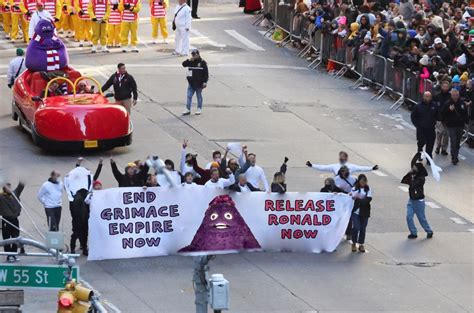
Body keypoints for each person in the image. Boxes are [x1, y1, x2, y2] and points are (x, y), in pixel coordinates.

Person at [64, 159, 93, 255]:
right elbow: (77, 175)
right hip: (78, 219)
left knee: (82, 233)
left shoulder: (86, 196)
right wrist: (77, 164)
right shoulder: (74, 198)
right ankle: (75, 248)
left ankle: (83, 247)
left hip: (83, 219)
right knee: (77, 233)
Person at [401, 152, 433, 239]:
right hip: (411, 200)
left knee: (421, 218)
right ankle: (413, 232)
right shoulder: (414, 175)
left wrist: (411, 175)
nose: (413, 168)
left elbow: (413, 185)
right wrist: (417, 154)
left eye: (415, 168)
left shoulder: (421, 179)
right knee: (409, 217)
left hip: (419, 201)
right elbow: (413, 163)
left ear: (418, 170)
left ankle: (429, 230)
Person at [441, 89, 468, 165]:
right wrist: (449, 110)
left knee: (457, 142)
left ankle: (456, 153)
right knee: (453, 140)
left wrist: (466, 122)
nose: (455, 96)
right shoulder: (447, 103)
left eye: (456, 95)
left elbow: (465, 113)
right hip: (451, 125)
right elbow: (443, 113)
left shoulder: (462, 103)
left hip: (460, 125)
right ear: (451, 95)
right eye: (453, 95)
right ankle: (454, 157)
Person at [0, 181, 24, 263]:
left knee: (16, 237)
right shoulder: (1, 197)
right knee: (7, 239)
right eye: (7, 188)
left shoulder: (15, 194)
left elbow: (20, 187)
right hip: (6, 220)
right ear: (4, 189)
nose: (10, 189)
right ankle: (9, 255)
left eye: (10, 187)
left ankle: (13, 254)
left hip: (15, 219)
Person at [306, 151, 378, 176]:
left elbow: (362, 168)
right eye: (340, 157)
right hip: (336, 189)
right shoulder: (334, 166)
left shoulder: (352, 166)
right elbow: (323, 167)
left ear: (346, 158)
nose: (341, 158)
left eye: (343, 157)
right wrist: (312, 165)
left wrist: (372, 168)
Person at [411, 91, 438, 158]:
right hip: (421, 129)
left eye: (429, 97)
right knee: (421, 142)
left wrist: (438, 120)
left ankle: (429, 157)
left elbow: (438, 115)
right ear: (423, 97)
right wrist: (417, 125)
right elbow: (413, 116)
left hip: (431, 128)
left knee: (430, 143)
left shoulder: (434, 105)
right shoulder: (418, 106)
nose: (428, 98)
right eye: (426, 96)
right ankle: (419, 153)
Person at [181, 50, 208, 115]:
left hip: (199, 83)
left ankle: (199, 108)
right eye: (193, 55)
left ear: (198, 54)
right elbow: (184, 64)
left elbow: (206, 73)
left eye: (195, 55)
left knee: (198, 95)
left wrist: (205, 82)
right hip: (191, 83)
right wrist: (189, 60)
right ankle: (188, 109)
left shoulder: (202, 63)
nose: (193, 56)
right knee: (189, 96)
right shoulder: (191, 61)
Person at [350, 174, 372, 253]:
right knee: (356, 227)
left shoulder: (368, 189)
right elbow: (351, 197)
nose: (363, 182)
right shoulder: (354, 189)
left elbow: (368, 199)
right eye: (361, 181)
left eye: (364, 181)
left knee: (363, 228)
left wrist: (358, 199)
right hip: (355, 211)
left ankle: (361, 244)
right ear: (359, 181)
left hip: (365, 211)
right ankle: (353, 243)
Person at [434, 81, 451, 155]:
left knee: (446, 134)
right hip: (439, 117)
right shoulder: (437, 96)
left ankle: (444, 149)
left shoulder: (450, 96)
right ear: (441, 86)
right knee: (439, 133)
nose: (445, 88)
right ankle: (438, 147)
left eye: (447, 86)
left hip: (448, 118)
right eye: (444, 86)